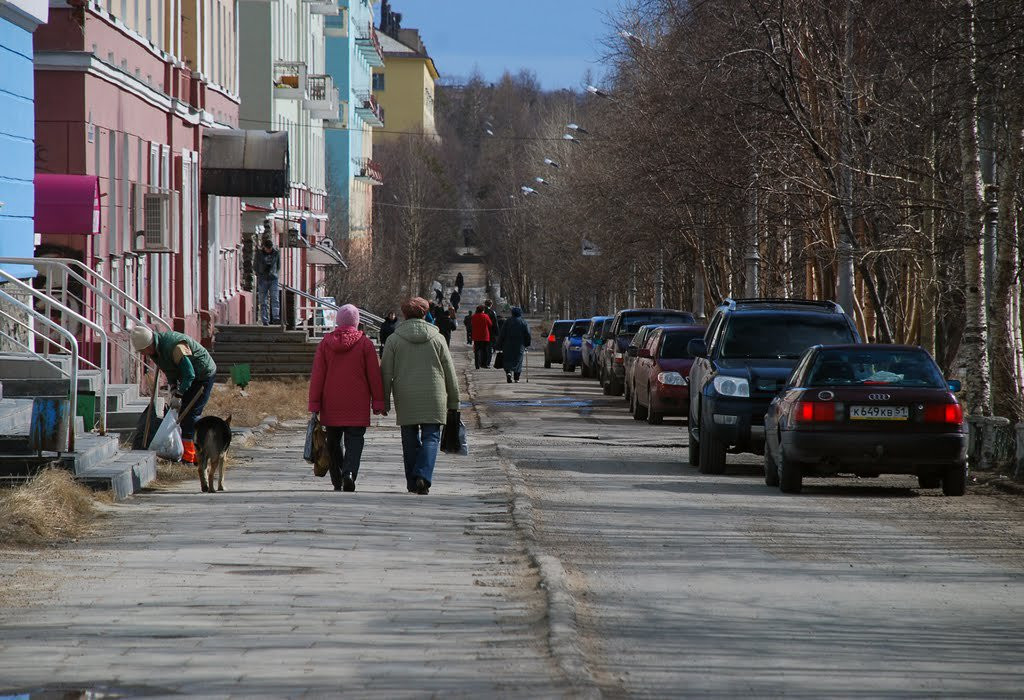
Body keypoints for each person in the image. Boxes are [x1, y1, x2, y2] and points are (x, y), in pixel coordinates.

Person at [381, 297, 460, 495]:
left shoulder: (393, 339)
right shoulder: (438, 338)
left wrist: (383, 400)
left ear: (405, 315)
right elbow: (450, 372)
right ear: (425, 313)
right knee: (431, 437)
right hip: (435, 394)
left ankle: (412, 482)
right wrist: (454, 401)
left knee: (409, 438)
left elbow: (386, 373)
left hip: (405, 395)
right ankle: (423, 476)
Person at [308, 305, 385, 492]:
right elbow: (374, 376)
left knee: (333, 441)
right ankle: (349, 473)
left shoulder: (325, 343)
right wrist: (378, 402)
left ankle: (337, 479)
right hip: (357, 403)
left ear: (338, 321)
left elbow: (318, 375)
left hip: (331, 402)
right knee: (355, 441)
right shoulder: (365, 344)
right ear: (357, 322)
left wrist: (315, 404)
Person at [131, 325, 217, 466]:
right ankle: (192, 453)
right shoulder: (156, 352)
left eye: (143, 350)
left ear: (149, 344)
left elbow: (189, 374)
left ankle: (191, 458)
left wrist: (180, 394)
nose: (143, 354)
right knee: (183, 414)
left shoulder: (174, 347)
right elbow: (170, 371)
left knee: (190, 415)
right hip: (189, 377)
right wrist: (173, 389)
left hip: (203, 374)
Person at [495, 307, 532, 383]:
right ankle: (516, 378)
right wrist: (527, 344)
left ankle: (508, 373)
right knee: (518, 361)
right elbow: (528, 334)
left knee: (508, 360)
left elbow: (502, 334)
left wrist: (499, 345)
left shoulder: (507, 321)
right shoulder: (523, 322)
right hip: (519, 345)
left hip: (507, 345)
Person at [256, 231, 281, 326]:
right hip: (263, 279)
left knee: (275, 299)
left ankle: (276, 317)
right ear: (264, 248)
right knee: (263, 301)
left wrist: (275, 273)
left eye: (270, 248)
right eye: (267, 249)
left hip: (273, 278)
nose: (269, 250)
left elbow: (278, 265)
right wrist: (260, 274)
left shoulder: (276, 253)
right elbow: (256, 266)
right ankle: (265, 320)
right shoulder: (259, 254)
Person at [470, 305, 493, 369]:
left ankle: (477, 365)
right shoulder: (485, 316)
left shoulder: (473, 316)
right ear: (483, 310)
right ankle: (484, 364)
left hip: (476, 336)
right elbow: (490, 324)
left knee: (476, 351)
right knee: (485, 351)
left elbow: (471, 325)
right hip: (484, 336)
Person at [483, 300, 498, 367]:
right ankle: (487, 363)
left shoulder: (481, 311)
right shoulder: (492, 312)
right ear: (491, 305)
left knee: (482, 348)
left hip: (482, 332)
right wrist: (497, 333)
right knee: (489, 349)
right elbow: (495, 324)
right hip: (490, 333)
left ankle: (482, 362)